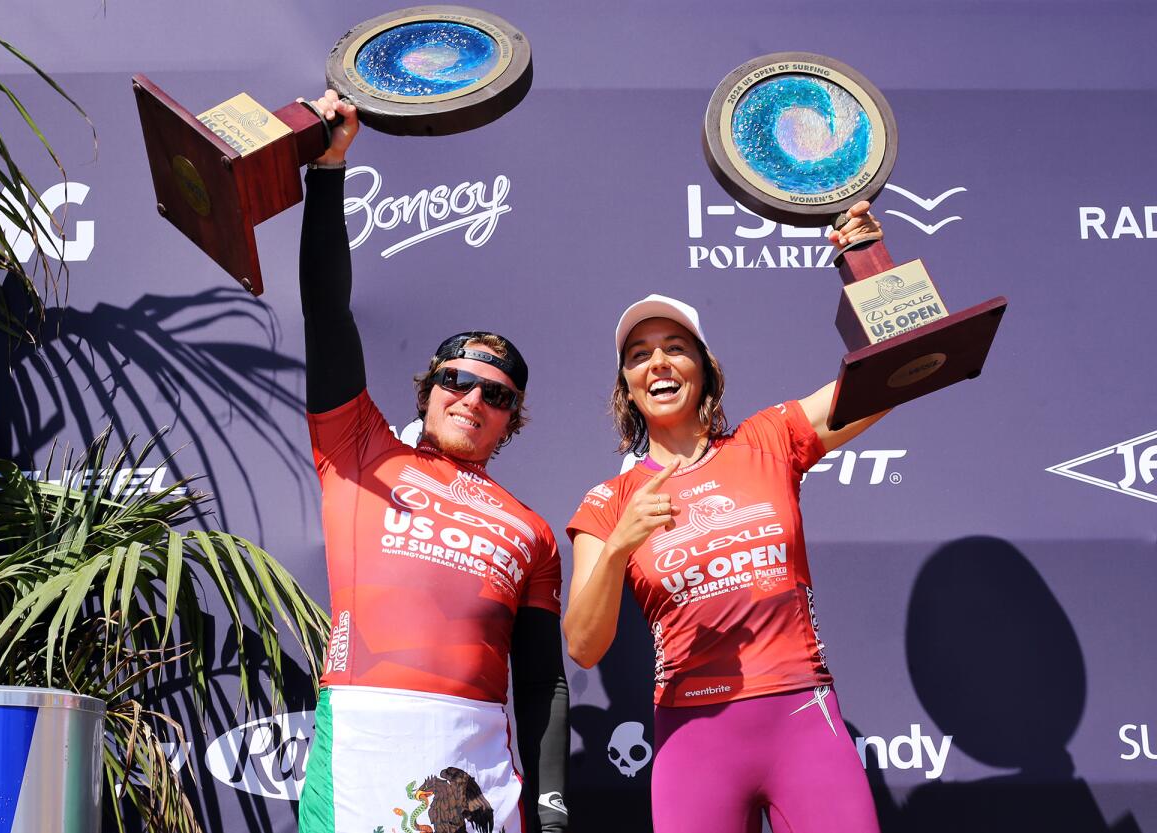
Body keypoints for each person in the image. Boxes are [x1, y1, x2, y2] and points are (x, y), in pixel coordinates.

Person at [563, 204, 888, 833]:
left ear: (704, 369)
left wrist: (866, 261)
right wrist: (619, 547)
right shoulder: (607, 502)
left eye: (675, 348)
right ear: (627, 387)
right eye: (639, 356)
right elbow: (583, 644)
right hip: (693, 736)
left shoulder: (767, 440)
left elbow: (892, 376)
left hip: (801, 713)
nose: (657, 363)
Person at [295, 91, 569, 833]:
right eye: (457, 378)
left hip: (478, 762)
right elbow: (326, 311)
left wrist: (550, 807)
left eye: (498, 395)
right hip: (362, 737)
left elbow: (542, 679)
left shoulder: (533, 531)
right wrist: (328, 170)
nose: (474, 398)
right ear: (430, 385)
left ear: (511, 421)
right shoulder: (358, 447)